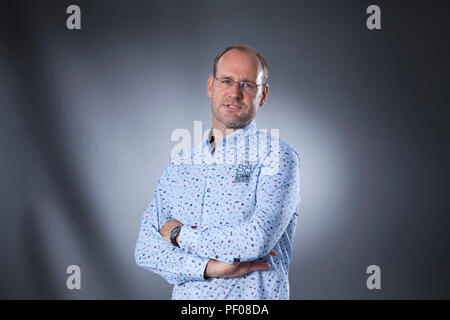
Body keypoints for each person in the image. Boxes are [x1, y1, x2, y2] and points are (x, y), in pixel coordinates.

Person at [135, 44, 300, 299]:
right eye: (226, 81)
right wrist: (210, 268)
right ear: (211, 86)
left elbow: (255, 240)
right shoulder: (181, 163)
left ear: (263, 95)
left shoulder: (277, 157)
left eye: (247, 84)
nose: (235, 92)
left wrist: (179, 235)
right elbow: (146, 249)